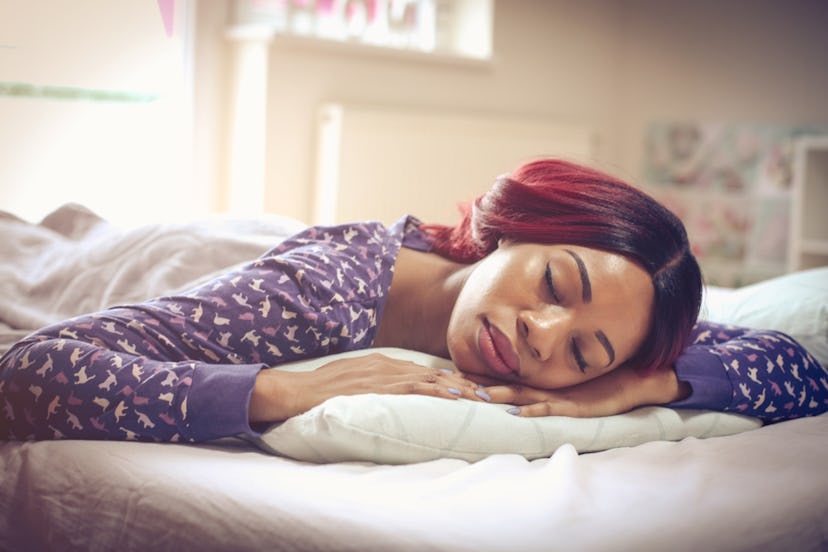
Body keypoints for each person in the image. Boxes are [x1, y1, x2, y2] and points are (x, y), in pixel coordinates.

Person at [0, 159, 825, 442]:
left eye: (582, 353)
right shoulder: (316, 297)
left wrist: (646, 383)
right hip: (135, 263)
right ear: (513, 228)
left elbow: (801, 373)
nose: (545, 338)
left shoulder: (619, 312)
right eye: (552, 287)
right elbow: (29, 370)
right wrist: (274, 389)